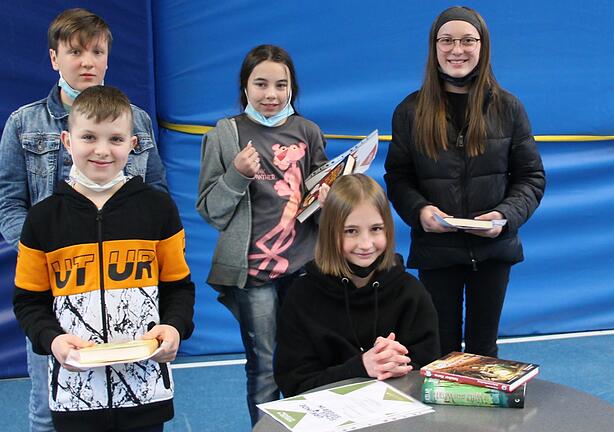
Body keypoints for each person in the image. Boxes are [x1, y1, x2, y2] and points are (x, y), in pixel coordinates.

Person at [0, 9, 168, 432]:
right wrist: (46, 254)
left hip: (125, 285)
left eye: (97, 51)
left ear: (108, 58)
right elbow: (8, 203)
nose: (87, 61)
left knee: (132, 406)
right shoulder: (24, 123)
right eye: (75, 52)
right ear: (55, 58)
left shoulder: (138, 120)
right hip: (60, 291)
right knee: (48, 408)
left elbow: (158, 195)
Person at [12, 85, 194, 432]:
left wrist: (174, 327)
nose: (101, 150)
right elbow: (28, 302)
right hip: (75, 395)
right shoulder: (43, 218)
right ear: (67, 142)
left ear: (132, 143)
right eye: (89, 137)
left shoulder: (158, 210)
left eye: (115, 139)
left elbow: (178, 289)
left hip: (145, 393)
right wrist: (53, 340)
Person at [384, 6, 545, 358]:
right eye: (447, 41)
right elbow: (398, 177)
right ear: (434, 47)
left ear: (482, 46)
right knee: (438, 351)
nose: (457, 50)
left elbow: (531, 177)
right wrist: (420, 210)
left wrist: (504, 217)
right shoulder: (410, 111)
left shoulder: (508, 108)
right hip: (436, 252)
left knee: (483, 351)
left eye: (468, 40)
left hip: (493, 253)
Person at [196, 44, 328, 424]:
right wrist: (237, 173)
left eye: (280, 85)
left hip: (306, 268)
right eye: (261, 84)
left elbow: (322, 196)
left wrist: (331, 196)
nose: (271, 95)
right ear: (245, 87)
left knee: (309, 360)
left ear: (292, 88)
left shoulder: (308, 131)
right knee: (266, 365)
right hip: (254, 276)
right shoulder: (226, 134)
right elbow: (211, 210)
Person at [274, 174, 440, 397]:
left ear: (388, 230)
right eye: (351, 231)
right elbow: (295, 385)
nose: (365, 244)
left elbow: (429, 377)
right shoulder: (301, 297)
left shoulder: (411, 293)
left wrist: (397, 365)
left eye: (376, 229)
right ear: (330, 233)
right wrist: (360, 367)